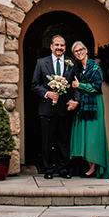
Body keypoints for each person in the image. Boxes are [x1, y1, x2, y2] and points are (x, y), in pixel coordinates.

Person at [30, 34, 73, 179]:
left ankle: (63, 169)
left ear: (65, 47)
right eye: (57, 45)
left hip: (64, 109)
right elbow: (35, 85)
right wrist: (47, 93)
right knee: (47, 141)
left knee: (63, 141)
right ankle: (48, 170)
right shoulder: (41, 63)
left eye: (62, 45)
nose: (59, 48)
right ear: (51, 46)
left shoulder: (70, 63)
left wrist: (75, 101)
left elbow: (75, 87)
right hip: (47, 109)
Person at [68, 40, 109, 178]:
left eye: (81, 49)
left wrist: (80, 85)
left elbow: (96, 87)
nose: (79, 52)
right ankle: (90, 166)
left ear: (86, 50)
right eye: (76, 51)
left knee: (94, 136)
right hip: (83, 105)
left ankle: (95, 167)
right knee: (84, 136)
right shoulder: (78, 68)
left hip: (95, 104)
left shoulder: (95, 67)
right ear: (74, 55)